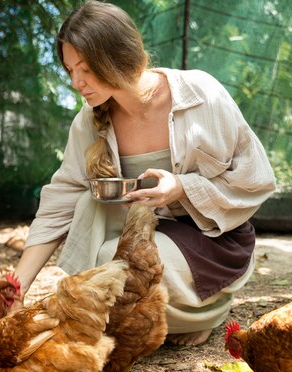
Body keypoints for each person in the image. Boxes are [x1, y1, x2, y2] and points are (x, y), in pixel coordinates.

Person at [14, 0, 276, 346]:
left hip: (210, 241)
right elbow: (60, 199)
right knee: (88, 211)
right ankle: (156, 319)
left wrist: (182, 187)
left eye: (86, 68)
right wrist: (15, 286)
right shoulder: (89, 120)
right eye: (69, 70)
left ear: (118, 55)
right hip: (145, 232)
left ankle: (202, 314)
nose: (76, 82)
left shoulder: (200, 95)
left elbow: (256, 178)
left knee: (116, 266)